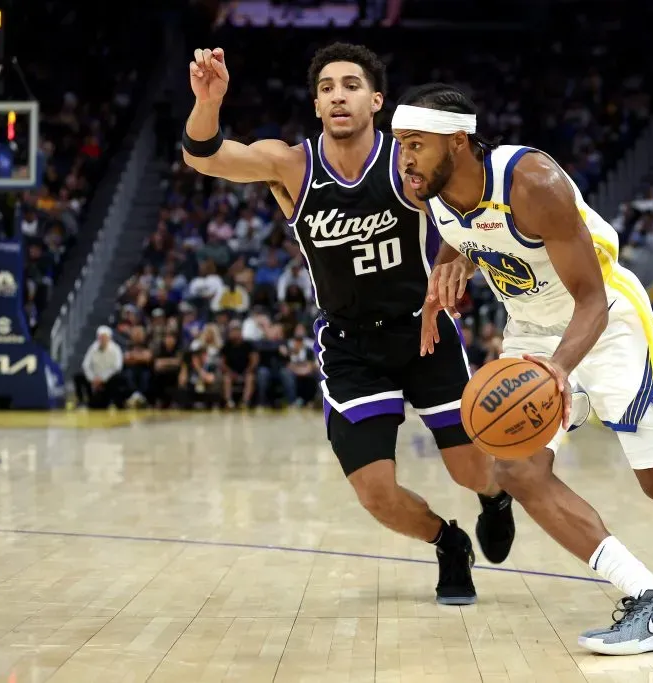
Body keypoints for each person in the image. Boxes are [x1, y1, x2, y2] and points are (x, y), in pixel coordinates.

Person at [392, 83, 653, 655]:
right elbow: (464, 230)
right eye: (400, 144)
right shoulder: (429, 192)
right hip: (532, 332)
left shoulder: (533, 183)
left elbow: (591, 299)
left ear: (458, 143)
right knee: (516, 472)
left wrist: (558, 371)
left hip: (606, 322)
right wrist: (449, 262)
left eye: (416, 143)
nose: (404, 157)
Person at [182, 43, 516, 605]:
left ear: (376, 101)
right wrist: (208, 101)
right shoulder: (290, 164)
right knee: (375, 492)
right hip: (350, 346)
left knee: (470, 471)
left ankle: (495, 497)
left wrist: (454, 256)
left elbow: (475, 205)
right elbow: (203, 155)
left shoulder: (408, 162)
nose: (340, 94)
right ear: (316, 104)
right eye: (329, 86)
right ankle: (448, 541)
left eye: (352, 85)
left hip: (423, 332)